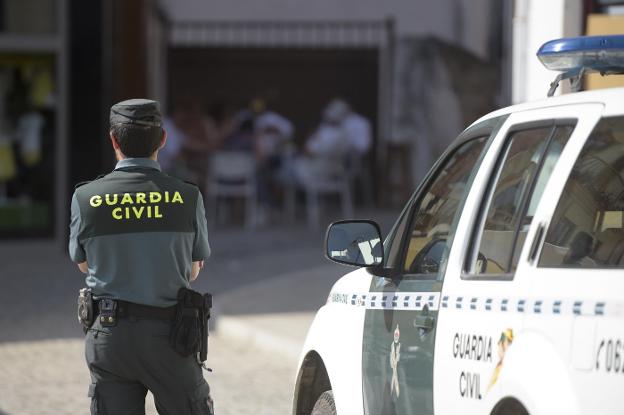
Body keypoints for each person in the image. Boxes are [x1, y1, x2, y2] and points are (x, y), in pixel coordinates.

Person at [69, 99, 213, 414]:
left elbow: (83, 263)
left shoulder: (86, 197)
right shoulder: (187, 196)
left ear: (113, 140)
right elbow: (193, 271)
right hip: (171, 337)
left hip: (110, 336)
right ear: (162, 139)